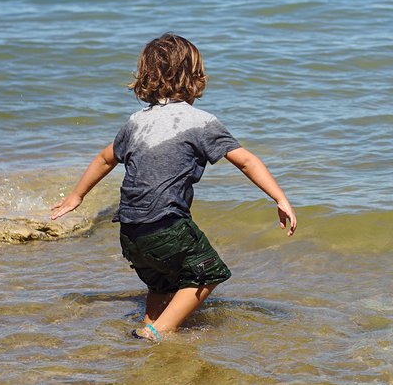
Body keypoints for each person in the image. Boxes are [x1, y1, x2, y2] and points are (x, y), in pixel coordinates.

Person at [50, 33, 296, 342]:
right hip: (166, 226)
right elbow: (245, 160)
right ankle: (155, 332)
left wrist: (76, 197)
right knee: (209, 273)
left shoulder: (136, 122)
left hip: (130, 230)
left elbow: (104, 158)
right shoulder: (200, 122)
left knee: (161, 284)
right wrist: (280, 197)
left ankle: (146, 328)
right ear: (194, 77)